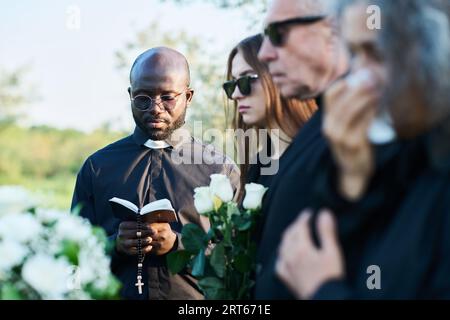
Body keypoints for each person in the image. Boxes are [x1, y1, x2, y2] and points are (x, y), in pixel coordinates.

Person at [276, 0, 450, 299]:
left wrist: (322, 291)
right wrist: (352, 178)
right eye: (354, 54)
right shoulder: (406, 153)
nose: (358, 80)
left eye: (376, 53)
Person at [71, 47, 239, 300]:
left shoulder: (219, 169)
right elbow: (72, 254)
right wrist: (113, 245)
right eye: (143, 97)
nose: (156, 107)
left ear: (189, 96)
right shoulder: (97, 167)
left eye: (168, 97)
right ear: (130, 95)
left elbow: (237, 257)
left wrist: (177, 245)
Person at [253, 0, 349, 299]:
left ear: (334, 28)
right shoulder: (323, 122)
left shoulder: (375, 130)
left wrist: (323, 291)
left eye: (278, 33)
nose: (264, 53)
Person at [223, 33, 317, 198]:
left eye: (246, 79)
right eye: (232, 85)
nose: (236, 94)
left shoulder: (319, 153)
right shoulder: (257, 167)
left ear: (279, 74)